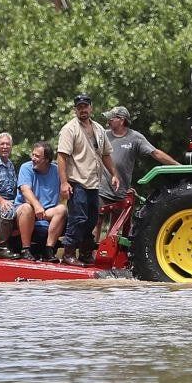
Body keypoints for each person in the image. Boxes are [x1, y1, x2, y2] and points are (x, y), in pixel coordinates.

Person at [96, 105, 179, 238]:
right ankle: (91, 254)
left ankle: (109, 256)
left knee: (115, 228)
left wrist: (177, 167)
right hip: (101, 188)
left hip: (120, 191)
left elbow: (155, 153)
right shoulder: (103, 135)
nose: (108, 121)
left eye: (111, 118)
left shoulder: (135, 138)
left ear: (122, 120)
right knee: (97, 220)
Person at [57, 94, 119, 266]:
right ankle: (69, 252)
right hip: (77, 181)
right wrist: (64, 182)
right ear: (75, 109)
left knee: (92, 218)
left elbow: (105, 154)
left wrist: (114, 174)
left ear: (91, 107)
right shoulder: (70, 129)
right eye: (79, 107)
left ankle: (85, 252)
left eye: (85, 106)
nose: (83, 110)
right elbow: (61, 156)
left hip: (93, 182)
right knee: (78, 218)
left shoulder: (99, 129)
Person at [0, 132, 33, 259]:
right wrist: (1, 201)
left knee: (27, 209)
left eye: (7, 144)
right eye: (2, 144)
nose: (5, 147)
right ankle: (2, 248)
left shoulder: (9, 164)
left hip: (10, 201)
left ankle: (25, 248)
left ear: (11, 147)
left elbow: (15, 189)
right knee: (8, 210)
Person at [14, 141, 68, 262]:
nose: (33, 158)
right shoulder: (26, 167)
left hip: (46, 213)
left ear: (47, 159)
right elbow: (25, 189)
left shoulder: (56, 170)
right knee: (27, 208)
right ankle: (25, 249)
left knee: (62, 209)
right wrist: (37, 205)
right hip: (26, 211)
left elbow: (66, 190)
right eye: (33, 155)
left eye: (37, 156)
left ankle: (49, 250)